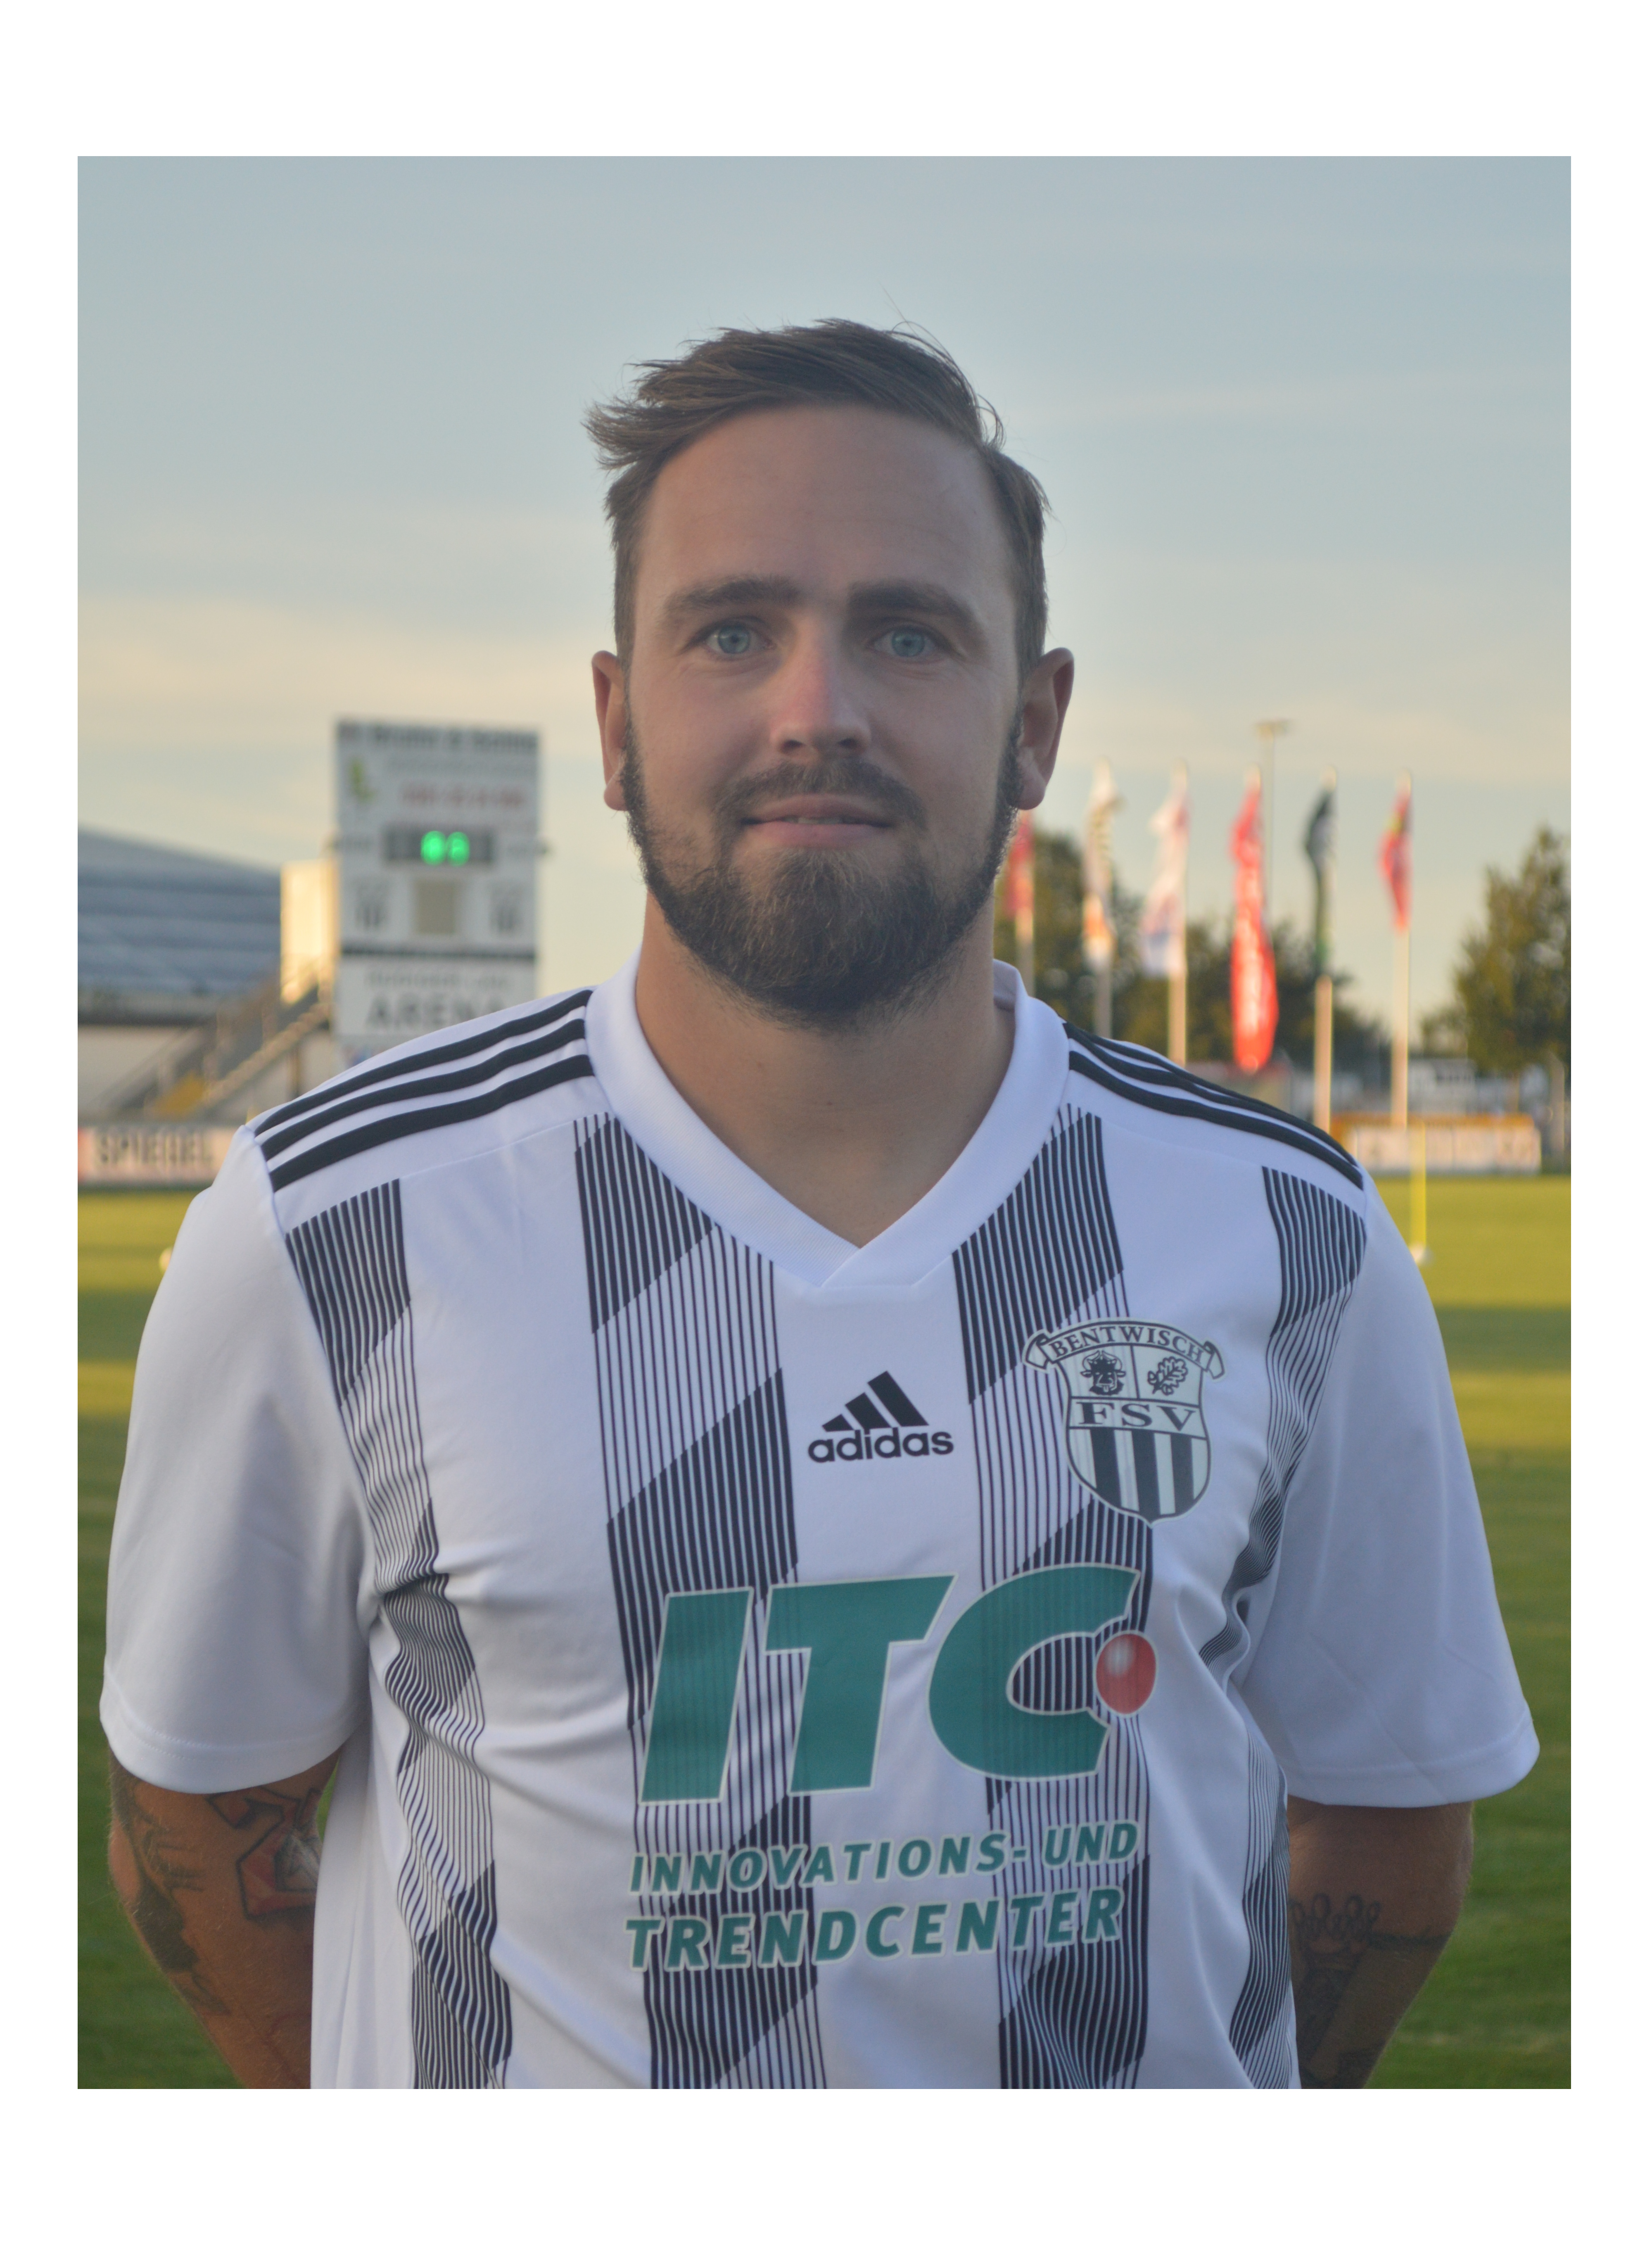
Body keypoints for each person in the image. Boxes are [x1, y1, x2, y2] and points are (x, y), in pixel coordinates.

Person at [102, 320, 1537, 2088]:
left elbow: (1388, 1833)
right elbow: (203, 1838)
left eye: (909, 634)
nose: (819, 711)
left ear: (1034, 725)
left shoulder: (1287, 1230)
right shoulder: (331, 1227)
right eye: (732, 631)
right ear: (616, 723)